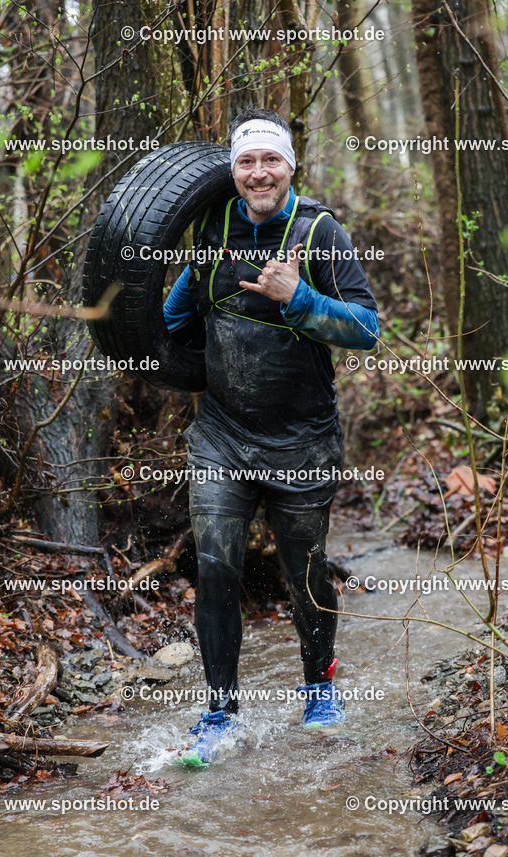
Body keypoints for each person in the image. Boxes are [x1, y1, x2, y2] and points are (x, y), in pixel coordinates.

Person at [163, 108, 378, 765]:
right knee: (216, 566)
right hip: (222, 438)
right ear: (233, 172)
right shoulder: (212, 229)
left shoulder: (319, 230)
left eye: (270, 160)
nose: (258, 172)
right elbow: (173, 317)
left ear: (290, 167)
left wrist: (299, 298)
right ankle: (219, 712)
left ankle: (318, 690)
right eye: (246, 162)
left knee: (304, 572)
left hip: (302, 440)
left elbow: (366, 329)